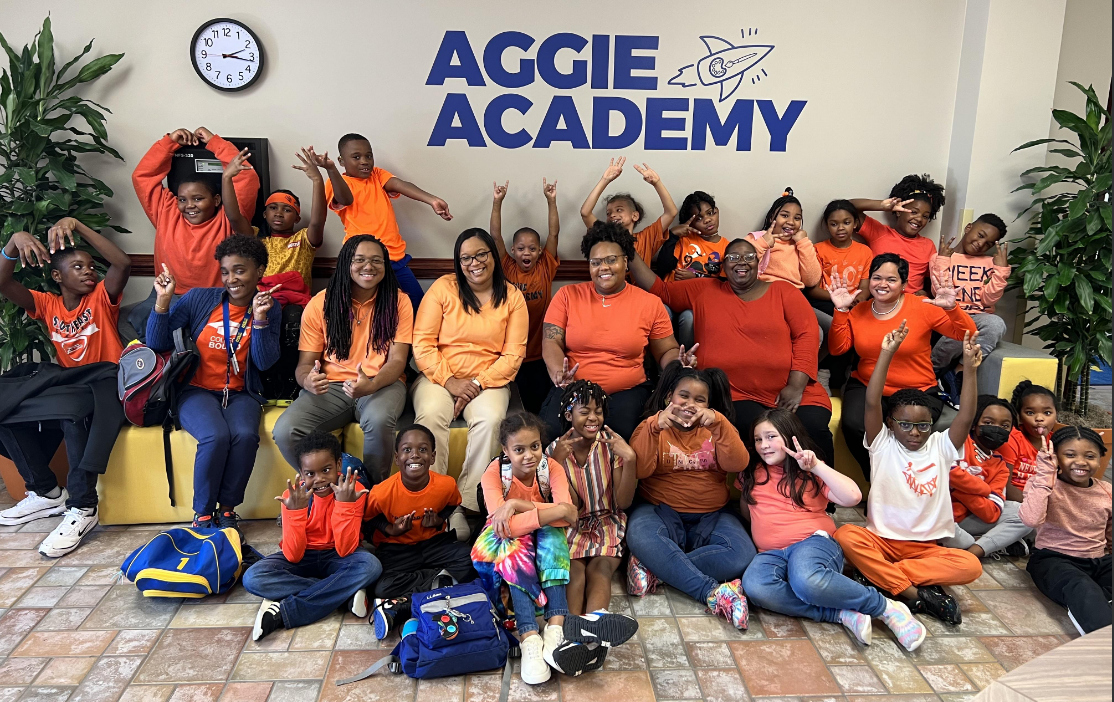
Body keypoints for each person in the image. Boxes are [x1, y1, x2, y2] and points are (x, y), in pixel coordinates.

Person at [627, 238, 834, 464]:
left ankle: (824, 495)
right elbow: (659, 289)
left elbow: (808, 334)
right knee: (753, 431)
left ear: (759, 263)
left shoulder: (784, 291)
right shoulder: (704, 289)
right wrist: (628, 249)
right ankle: (768, 496)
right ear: (724, 266)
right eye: (733, 257)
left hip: (792, 391)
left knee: (814, 428)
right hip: (737, 394)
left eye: (748, 257)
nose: (741, 262)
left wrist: (796, 386)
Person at [739, 410, 926, 652]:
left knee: (807, 581)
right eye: (758, 439)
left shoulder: (809, 470)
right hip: (771, 553)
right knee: (756, 588)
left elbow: (853, 496)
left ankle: (885, 608)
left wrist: (816, 466)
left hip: (812, 543)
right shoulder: (750, 473)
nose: (763, 445)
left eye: (771, 437)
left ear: (788, 436)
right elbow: (748, 510)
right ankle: (841, 614)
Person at [834, 325, 984, 625]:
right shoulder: (882, 444)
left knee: (970, 565)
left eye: (923, 426)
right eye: (905, 424)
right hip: (881, 542)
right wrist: (886, 353)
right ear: (891, 423)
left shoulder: (942, 446)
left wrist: (969, 369)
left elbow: (966, 416)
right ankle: (916, 594)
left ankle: (880, 579)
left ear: (932, 425)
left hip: (925, 551)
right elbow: (873, 401)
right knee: (845, 535)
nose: (915, 432)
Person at [473, 413, 638, 683]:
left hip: (540, 532)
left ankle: (555, 632)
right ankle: (529, 641)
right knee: (518, 553)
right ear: (505, 450)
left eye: (535, 446)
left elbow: (571, 516)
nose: (529, 456)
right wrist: (553, 510)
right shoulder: (493, 473)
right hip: (498, 543)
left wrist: (516, 505)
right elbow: (505, 528)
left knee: (554, 539)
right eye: (519, 450)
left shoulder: (551, 468)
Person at [0, 219, 131, 556]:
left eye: (90, 266)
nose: (89, 272)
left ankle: (83, 507)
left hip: (107, 381)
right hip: (70, 383)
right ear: (57, 277)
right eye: (78, 266)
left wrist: (78, 226)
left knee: (74, 415)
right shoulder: (47, 305)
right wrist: (13, 243)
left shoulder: (102, 298)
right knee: (6, 406)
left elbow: (122, 263)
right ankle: (44, 491)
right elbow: (3, 281)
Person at [146, 235, 281, 530]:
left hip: (241, 394)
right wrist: (164, 300)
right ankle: (203, 514)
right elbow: (156, 342)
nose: (231, 279)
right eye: (225, 271)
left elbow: (264, 362)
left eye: (240, 270)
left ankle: (228, 509)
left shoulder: (271, 306)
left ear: (259, 271)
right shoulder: (198, 299)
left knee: (245, 436)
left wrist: (259, 319)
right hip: (195, 390)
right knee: (215, 436)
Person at [411, 228, 528, 539]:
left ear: (494, 256)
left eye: (481, 254)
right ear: (457, 262)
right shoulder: (443, 288)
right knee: (432, 414)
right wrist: (450, 382)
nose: (474, 262)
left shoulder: (512, 297)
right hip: (439, 376)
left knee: (491, 420)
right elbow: (422, 344)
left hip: (489, 380)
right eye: (466, 258)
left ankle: (465, 505)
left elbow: (513, 354)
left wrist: (475, 383)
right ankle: (432, 502)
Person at [626, 363, 755, 630]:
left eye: (700, 400)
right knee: (640, 537)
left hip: (713, 513)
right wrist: (653, 427)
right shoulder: (651, 426)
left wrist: (720, 423)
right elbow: (639, 469)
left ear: (709, 406)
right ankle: (711, 592)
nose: (690, 404)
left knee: (742, 554)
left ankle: (655, 568)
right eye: (683, 395)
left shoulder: (718, 426)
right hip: (657, 510)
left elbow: (738, 464)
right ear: (668, 398)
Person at [272, 236, 411, 482]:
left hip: (381, 384)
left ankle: (372, 497)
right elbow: (304, 364)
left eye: (376, 260)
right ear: (346, 263)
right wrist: (308, 381)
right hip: (332, 386)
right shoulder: (320, 303)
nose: (368, 266)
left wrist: (373, 384)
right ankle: (330, 487)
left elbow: (398, 361)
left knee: (379, 421)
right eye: (359, 260)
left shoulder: (398, 301)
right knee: (286, 430)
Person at [828, 253, 977, 479]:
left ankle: (905, 484)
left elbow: (967, 333)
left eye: (891, 279)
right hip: (868, 386)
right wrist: (840, 310)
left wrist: (951, 308)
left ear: (904, 284)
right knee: (854, 425)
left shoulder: (922, 307)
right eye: (877, 278)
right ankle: (880, 480)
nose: (882, 284)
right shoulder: (858, 311)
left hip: (918, 389)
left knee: (909, 431)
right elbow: (837, 349)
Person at [539, 222, 685, 441]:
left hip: (627, 392)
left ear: (625, 262)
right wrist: (558, 372)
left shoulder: (650, 303)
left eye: (611, 260)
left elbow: (666, 351)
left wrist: (678, 363)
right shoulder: (567, 295)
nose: (603, 268)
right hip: (573, 387)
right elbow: (551, 342)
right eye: (595, 262)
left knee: (625, 436)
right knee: (550, 434)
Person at [243, 432, 381, 642]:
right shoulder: (292, 497)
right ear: (301, 472)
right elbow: (293, 555)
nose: (319, 479)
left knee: (370, 565)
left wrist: (344, 505)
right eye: (310, 473)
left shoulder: (353, 491)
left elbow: (346, 549)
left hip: (339, 556)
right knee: (253, 577)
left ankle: (286, 610)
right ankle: (343, 593)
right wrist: (295, 512)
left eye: (326, 470)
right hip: (303, 557)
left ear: (338, 464)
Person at [129, 127, 259, 340]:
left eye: (198, 199)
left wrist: (215, 142)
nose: (190, 206)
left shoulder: (229, 217)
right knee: (148, 339)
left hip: (213, 299)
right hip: (170, 296)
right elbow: (142, 177)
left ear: (217, 200)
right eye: (183, 199)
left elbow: (246, 178)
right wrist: (170, 142)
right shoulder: (167, 212)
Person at [364, 424, 477, 639]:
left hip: (433, 543)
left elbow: (452, 505)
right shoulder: (381, 492)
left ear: (433, 457)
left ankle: (406, 601)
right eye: (407, 450)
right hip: (397, 548)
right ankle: (439, 581)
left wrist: (437, 521)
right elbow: (368, 520)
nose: (415, 455)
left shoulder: (446, 485)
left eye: (423, 450)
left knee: (470, 561)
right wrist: (391, 529)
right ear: (397, 458)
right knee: (382, 587)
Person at [323, 133, 452, 311]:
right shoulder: (336, 182)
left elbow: (401, 185)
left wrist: (431, 200)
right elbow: (345, 199)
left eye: (369, 156)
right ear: (341, 161)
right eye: (356, 157)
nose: (364, 161)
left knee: (419, 307)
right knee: (364, 310)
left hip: (394, 259)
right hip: (361, 262)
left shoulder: (377, 175)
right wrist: (331, 170)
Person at [546, 380, 638, 615]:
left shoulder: (611, 446)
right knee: (573, 572)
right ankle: (571, 632)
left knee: (600, 570)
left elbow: (624, 502)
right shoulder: (553, 451)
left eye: (598, 411)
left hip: (608, 522)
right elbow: (570, 507)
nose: (593, 418)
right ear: (569, 414)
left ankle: (595, 628)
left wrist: (630, 460)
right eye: (584, 411)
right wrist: (556, 464)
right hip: (570, 524)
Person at [1020, 427, 1112, 635]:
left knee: (1092, 589)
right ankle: (1105, 639)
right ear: (1056, 458)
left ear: (1100, 459)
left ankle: (1099, 603)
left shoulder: (1106, 490)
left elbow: (1110, 533)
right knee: (1081, 587)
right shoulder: (1043, 485)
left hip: (1097, 561)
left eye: (1090, 456)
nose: (1080, 461)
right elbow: (1031, 519)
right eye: (1070, 455)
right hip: (1053, 560)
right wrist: (1045, 474)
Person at [490, 178, 560, 414]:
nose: (526, 252)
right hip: (512, 353)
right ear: (513, 252)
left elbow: (554, 233)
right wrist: (497, 202)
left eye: (532, 248)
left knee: (538, 406)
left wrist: (551, 201)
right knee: (514, 408)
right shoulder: (507, 267)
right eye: (521, 248)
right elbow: (495, 237)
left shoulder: (545, 267)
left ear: (540, 251)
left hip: (540, 354)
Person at [940, 396, 1032, 558]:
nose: (996, 429)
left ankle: (974, 551)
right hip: (939, 515)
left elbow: (992, 512)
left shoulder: (1000, 466)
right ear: (975, 424)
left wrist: (957, 488)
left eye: (1004, 426)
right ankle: (991, 545)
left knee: (1027, 515)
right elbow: (945, 472)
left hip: (966, 520)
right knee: (949, 533)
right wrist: (983, 489)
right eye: (988, 423)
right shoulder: (958, 441)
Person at [226, 146, 327, 289]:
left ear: (297, 218)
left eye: (287, 210)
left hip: (295, 304)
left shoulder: (303, 240)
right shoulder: (256, 239)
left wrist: (317, 180)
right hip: (263, 301)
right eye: (273, 208)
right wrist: (227, 178)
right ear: (265, 214)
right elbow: (234, 218)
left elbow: (317, 222)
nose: (279, 213)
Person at [930, 213, 1010, 374]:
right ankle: (933, 370)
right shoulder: (941, 257)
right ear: (968, 228)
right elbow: (940, 292)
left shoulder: (990, 263)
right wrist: (943, 260)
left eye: (988, 244)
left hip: (979, 317)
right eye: (980, 235)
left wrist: (1001, 271)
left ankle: (961, 372)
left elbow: (988, 300)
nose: (980, 244)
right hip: (950, 316)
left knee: (996, 324)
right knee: (965, 327)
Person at [850, 174, 945, 295]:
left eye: (925, 216)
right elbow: (847, 208)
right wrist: (882, 206)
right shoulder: (879, 232)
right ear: (899, 212)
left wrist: (924, 293)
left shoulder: (928, 245)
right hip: (880, 299)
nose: (919, 219)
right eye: (914, 212)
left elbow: (930, 280)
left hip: (911, 304)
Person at [652, 191, 724, 348]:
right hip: (670, 298)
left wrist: (696, 278)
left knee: (689, 318)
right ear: (689, 224)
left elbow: (723, 283)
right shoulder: (684, 240)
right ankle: (663, 369)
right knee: (661, 312)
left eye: (710, 213)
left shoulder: (726, 247)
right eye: (699, 218)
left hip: (696, 303)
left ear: (717, 212)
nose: (707, 220)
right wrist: (672, 236)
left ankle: (686, 365)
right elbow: (664, 266)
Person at [579, 157, 678, 266]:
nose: (612, 215)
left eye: (619, 210)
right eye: (608, 213)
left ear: (634, 216)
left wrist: (657, 183)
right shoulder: (603, 235)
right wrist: (605, 180)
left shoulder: (646, 238)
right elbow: (585, 212)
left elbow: (671, 212)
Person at [808, 199, 873, 317]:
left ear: (855, 224)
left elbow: (864, 286)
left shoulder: (865, 251)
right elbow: (813, 291)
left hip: (854, 303)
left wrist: (859, 298)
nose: (840, 228)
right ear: (827, 226)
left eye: (846, 223)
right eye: (834, 224)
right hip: (827, 302)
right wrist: (839, 298)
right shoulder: (817, 249)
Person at [749, 188, 822, 291]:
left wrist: (804, 242)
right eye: (784, 215)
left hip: (793, 295)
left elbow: (812, 281)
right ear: (771, 218)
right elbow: (742, 266)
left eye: (797, 218)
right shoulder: (757, 238)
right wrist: (763, 243)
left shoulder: (800, 245)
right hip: (765, 292)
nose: (791, 222)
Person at [1000, 381, 1059, 503]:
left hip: (1043, 500)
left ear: (1056, 415)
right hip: (1015, 501)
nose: (1039, 418)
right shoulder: (1012, 440)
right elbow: (1004, 485)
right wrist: (1034, 505)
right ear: (1019, 417)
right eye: (1030, 413)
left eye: (1047, 413)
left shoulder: (1057, 442)